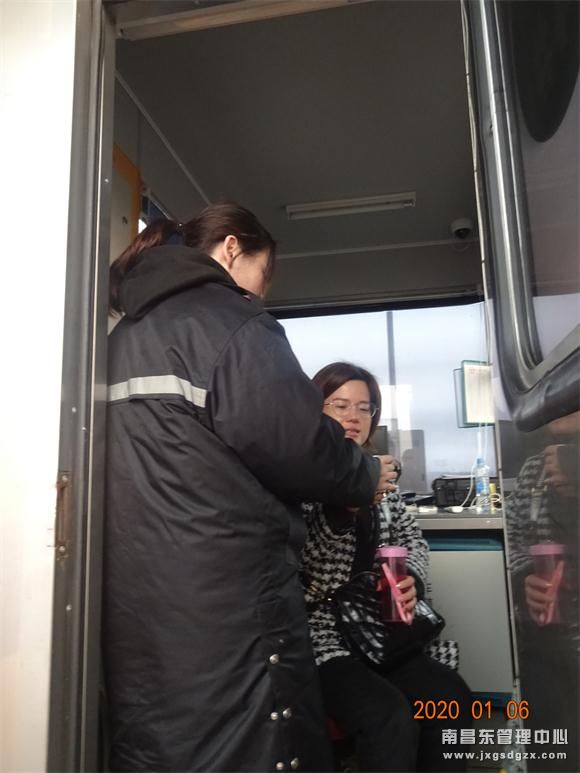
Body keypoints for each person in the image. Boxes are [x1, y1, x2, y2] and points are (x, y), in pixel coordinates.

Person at [102, 203, 397, 772]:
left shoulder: (123, 334)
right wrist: (364, 475)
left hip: (140, 596)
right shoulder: (233, 325)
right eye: (264, 277)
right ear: (233, 249)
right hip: (229, 599)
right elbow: (300, 446)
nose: (261, 295)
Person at [302, 362, 472, 772]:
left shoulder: (380, 478)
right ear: (313, 410)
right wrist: (343, 506)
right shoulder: (298, 478)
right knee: (388, 718)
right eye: (339, 405)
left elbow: (412, 540)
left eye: (364, 408)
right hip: (321, 639)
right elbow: (301, 563)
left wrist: (412, 578)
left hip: (380, 629)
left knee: (450, 700)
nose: (353, 417)